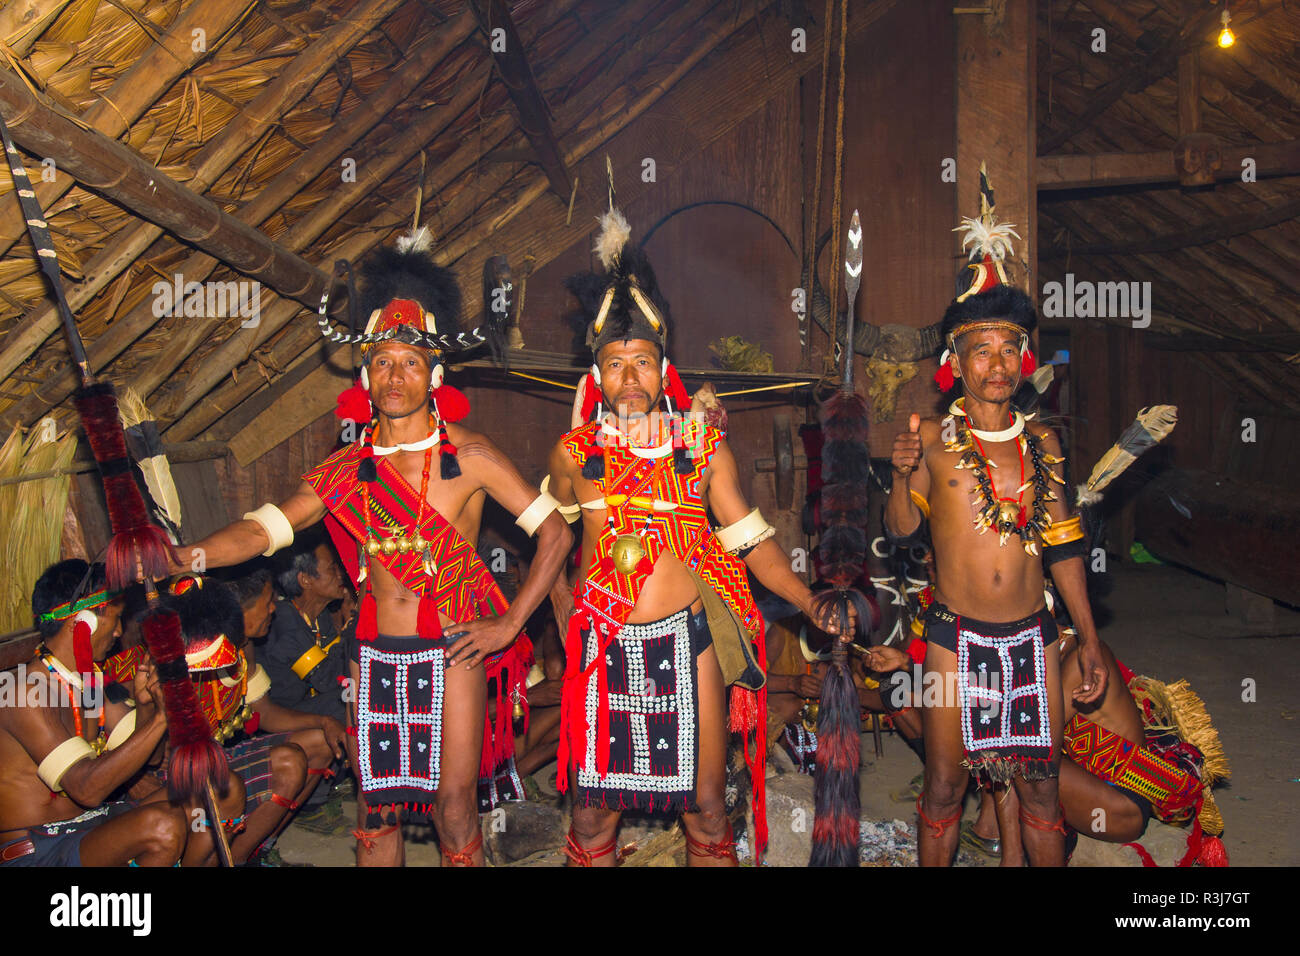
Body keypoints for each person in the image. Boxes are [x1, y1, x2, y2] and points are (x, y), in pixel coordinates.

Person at [175, 229, 571, 866]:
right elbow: (264, 528)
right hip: (378, 652)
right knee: (377, 811)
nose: (395, 375)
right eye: (383, 361)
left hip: (456, 649)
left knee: (454, 809)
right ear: (365, 372)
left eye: (410, 363)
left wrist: (508, 624)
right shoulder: (348, 468)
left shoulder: (468, 456)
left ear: (435, 376)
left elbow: (556, 532)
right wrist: (184, 556)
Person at [546, 208, 845, 866]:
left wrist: (809, 599)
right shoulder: (575, 453)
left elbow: (752, 541)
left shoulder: (701, 445)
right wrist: (558, 608)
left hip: (688, 640)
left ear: (663, 367)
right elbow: (548, 540)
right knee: (594, 813)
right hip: (603, 644)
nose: (631, 378)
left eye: (643, 362)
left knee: (708, 804)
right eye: (616, 365)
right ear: (596, 377)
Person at [885, 168, 1104, 867]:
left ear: (1025, 359)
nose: (999, 363)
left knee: (1040, 791)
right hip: (956, 639)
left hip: (1035, 638)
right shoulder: (936, 441)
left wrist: (1089, 638)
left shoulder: (1042, 442)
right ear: (957, 361)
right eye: (983, 349)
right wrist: (898, 476)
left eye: (1010, 348)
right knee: (945, 788)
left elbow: (1064, 545)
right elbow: (900, 533)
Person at [1, 560, 204, 866]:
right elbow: (86, 789)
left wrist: (148, 704)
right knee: (161, 827)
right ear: (82, 622)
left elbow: (148, 758)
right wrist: (162, 717)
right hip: (39, 848)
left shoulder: (87, 680)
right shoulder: (21, 690)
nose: (121, 631)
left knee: (208, 788)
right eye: (117, 619)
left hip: (91, 826)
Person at [263, 530, 350, 722]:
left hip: (310, 702)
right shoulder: (284, 619)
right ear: (306, 580)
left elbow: (339, 671)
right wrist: (352, 627)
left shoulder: (320, 616)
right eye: (332, 569)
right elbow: (326, 679)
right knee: (348, 702)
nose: (340, 574)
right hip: (284, 713)